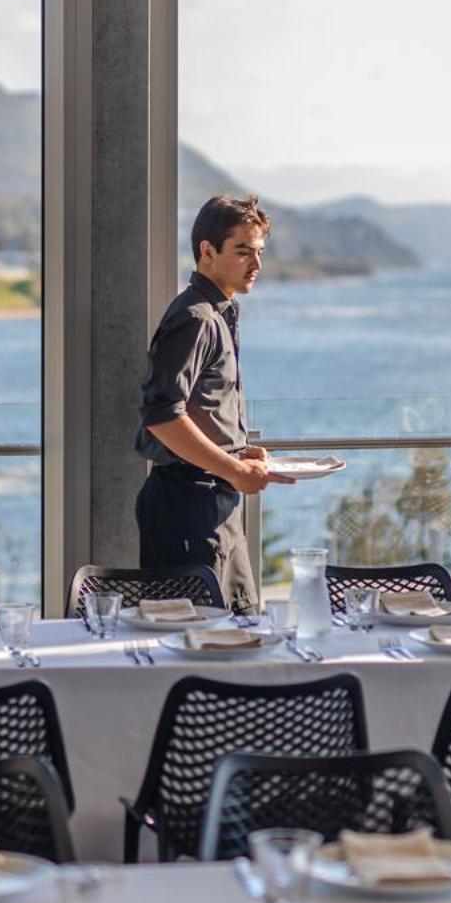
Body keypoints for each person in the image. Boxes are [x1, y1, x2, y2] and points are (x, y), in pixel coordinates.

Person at [134, 194, 287, 610]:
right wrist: (235, 468)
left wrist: (237, 453)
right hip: (187, 507)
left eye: (259, 252)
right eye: (242, 252)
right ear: (207, 251)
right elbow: (162, 417)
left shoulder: (217, 313)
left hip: (211, 502)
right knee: (197, 636)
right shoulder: (197, 318)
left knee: (236, 626)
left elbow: (198, 411)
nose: (256, 264)